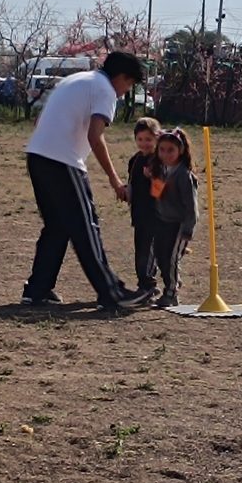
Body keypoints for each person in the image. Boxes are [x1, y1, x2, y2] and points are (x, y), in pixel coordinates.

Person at [22, 51, 150, 310]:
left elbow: (40, 119)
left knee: (57, 226)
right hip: (62, 161)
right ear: (122, 77)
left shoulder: (77, 79)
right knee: (86, 227)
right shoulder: (104, 90)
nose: (126, 92)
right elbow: (95, 136)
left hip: (37, 156)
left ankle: (37, 290)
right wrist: (115, 181)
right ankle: (112, 293)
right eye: (129, 84)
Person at [151, 127, 199, 308]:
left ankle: (171, 294)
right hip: (163, 222)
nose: (165, 154)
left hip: (179, 225)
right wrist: (154, 179)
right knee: (160, 256)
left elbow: (191, 207)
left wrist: (188, 229)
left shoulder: (184, 176)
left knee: (171, 259)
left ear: (181, 151)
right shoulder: (160, 169)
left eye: (170, 150)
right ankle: (174, 282)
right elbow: (157, 195)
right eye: (162, 149)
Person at [127, 117, 162, 301]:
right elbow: (132, 182)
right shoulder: (135, 160)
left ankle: (147, 285)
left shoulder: (159, 161)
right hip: (139, 213)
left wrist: (152, 178)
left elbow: (161, 190)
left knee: (148, 250)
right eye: (140, 139)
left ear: (157, 138)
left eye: (148, 139)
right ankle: (145, 283)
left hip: (153, 213)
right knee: (140, 248)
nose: (144, 143)